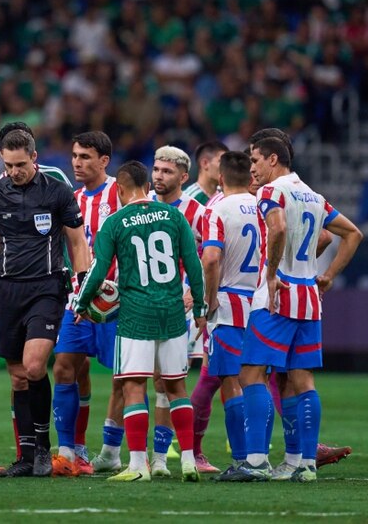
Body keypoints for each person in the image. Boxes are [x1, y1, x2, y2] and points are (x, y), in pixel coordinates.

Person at [220, 136, 362, 482]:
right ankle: (303, 463)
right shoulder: (313, 196)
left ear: (273, 159)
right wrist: (328, 275)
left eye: (256, 160)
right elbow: (353, 234)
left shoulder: (272, 192)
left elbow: (279, 227)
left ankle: (255, 462)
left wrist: (271, 274)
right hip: (309, 296)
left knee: (251, 374)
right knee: (302, 380)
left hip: (278, 295)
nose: (252, 168)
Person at [0, 128, 90, 477]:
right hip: (9, 290)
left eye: (20, 165)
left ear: (34, 157)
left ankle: (42, 447)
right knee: (17, 378)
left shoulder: (57, 190)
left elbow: (77, 242)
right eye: (9, 165)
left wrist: (83, 285)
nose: (14, 171)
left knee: (34, 366)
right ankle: (26, 456)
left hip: (47, 287)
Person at [73, 161, 206, 483]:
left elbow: (98, 269)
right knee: (176, 387)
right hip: (173, 312)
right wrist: (201, 306)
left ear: (119, 189)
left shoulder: (115, 222)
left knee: (133, 386)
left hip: (136, 315)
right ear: (147, 186)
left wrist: (82, 302)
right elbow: (194, 264)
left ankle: (137, 465)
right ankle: (188, 461)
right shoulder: (174, 216)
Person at [52, 131, 120, 476]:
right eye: (75, 156)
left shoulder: (121, 194)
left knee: (125, 377)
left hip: (116, 301)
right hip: (77, 300)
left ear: (104, 161)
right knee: (66, 366)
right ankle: (70, 450)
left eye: (85, 157)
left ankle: (112, 450)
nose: (77, 163)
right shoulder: (71, 200)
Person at [147, 145, 207, 476]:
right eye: (156, 169)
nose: (159, 176)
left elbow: (213, 255)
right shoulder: (141, 205)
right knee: (130, 381)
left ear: (183, 177)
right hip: (142, 305)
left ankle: (164, 456)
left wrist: (192, 292)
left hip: (178, 308)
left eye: (167, 171)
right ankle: (142, 456)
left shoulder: (196, 211)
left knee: (169, 381)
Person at [200, 150, 258, 473]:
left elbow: (211, 259)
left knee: (230, 381)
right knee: (258, 380)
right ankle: (259, 457)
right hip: (261, 302)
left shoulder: (217, 208)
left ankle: (240, 459)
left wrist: (209, 301)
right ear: (251, 176)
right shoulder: (263, 205)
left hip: (229, 303)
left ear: (220, 178)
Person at [183, 140, 229, 205]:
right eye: (221, 162)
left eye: (227, 163)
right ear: (205, 163)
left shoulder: (225, 196)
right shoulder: (189, 199)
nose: (227, 167)